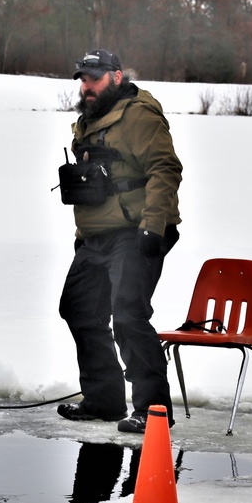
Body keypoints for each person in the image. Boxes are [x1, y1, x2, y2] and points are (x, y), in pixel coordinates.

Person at [56, 49, 182, 434]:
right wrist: (83, 237)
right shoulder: (91, 118)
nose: (86, 86)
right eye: (82, 79)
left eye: (93, 78)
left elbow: (165, 168)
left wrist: (153, 225)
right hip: (96, 235)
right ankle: (104, 399)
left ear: (115, 75)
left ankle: (154, 409)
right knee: (77, 308)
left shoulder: (139, 114)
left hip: (137, 230)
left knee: (128, 313)